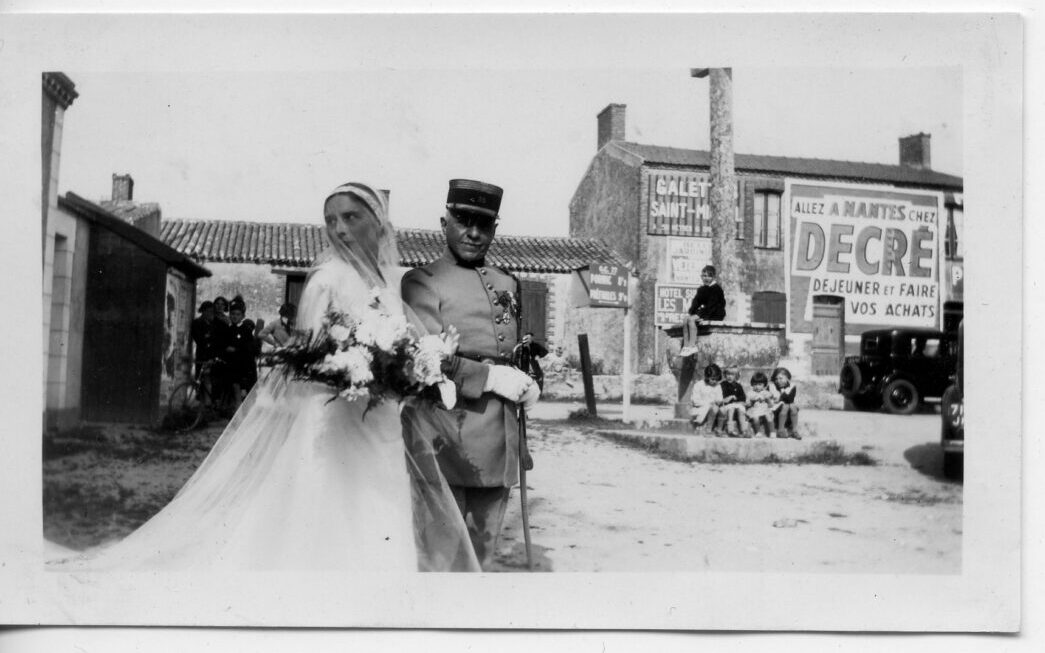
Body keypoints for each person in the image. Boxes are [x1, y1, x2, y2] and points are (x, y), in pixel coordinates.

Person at [49, 182, 479, 572]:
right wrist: (354, 370)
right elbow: (308, 361)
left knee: (379, 511)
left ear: (379, 223)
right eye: (331, 221)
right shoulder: (327, 280)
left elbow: (398, 346)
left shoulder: (388, 285)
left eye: (351, 217)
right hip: (335, 423)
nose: (340, 229)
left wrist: (404, 372)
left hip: (380, 424)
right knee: (331, 518)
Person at [400, 179, 541, 569]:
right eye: (463, 220)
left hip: (499, 441)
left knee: (480, 560)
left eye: (484, 224)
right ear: (443, 223)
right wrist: (492, 379)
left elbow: (515, 351)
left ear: (495, 229)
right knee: (440, 562)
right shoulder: (421, 281)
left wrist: (528, 381)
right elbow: (425, 359)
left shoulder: (506, 282)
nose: (474, 232)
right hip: (445, 437)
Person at [189, 300, 229, 408]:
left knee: (212, 379)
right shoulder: (197, 322)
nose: (209, 313)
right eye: (206, 311)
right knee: (201, 378)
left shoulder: (216, 323)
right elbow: (200, 339)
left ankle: (210, 403)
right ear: (202, 311)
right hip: (202, 355)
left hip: (213, 355)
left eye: (211, 311)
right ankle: (203, 403)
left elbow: (218, 340)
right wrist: (208, 339)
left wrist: (209, 340)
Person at [680, 265, 726, 357]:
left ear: (713, 277)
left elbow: (713, 306)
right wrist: (692, 312)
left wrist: (705, 318)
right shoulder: (702, 289)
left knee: (692, 320)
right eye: (704, 276)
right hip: (705, 311)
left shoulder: (716, 289)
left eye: (709, 276)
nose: (706, 278)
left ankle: (692, 346)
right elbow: (695, 303)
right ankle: (686, 346)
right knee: (686, 319)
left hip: (715, 313)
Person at [224, 296, 258, 406]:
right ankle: (237, 415)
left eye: (238, 314)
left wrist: (235, 349)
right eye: (232, 314)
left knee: (247, 392)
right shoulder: (228, 329)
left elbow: (250, 349)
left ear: (243, 316)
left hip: (246, 366)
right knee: (235, 390)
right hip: (233, 365)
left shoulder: (246, 330)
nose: (235, 317)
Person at [689, 363, 724, 436]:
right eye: (713, 379)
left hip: (714, 408)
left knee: (720, 409)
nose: (714, 381)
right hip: (701, 408)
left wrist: (718, 401)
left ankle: (718, 429)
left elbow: (719, 397)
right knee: (713, 408)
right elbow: (695, 400)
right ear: (707, 377)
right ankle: (708, 429)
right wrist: (708, 403)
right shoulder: (699, 385)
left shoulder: (717, 386)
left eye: (716, 380)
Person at [718, 367, 750, 437]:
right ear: (725, 375)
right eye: (728, 374)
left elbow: (742, 397)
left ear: (736, 376)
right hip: (727, 405)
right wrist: (729, 398)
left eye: (732, 375)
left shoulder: (738, 386)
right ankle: (730, 429)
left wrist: (738, 401)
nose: (729, 376)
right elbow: (721, 398)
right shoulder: (722, 385)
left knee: (741, 410)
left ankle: (744, 430)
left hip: (737, 405)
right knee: (731, 409)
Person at [771, 366, 800, 440]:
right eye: (776, 379)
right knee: (786, 406)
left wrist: (782, 393)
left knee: (792, 406)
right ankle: (780, 430)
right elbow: (775, 400)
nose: (778, 381)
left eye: (781, 378)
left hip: (788, 407)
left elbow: (790, 399)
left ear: (787, 378)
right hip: (776, 409)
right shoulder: (773, 387)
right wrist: (781, 393)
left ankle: (794, 430)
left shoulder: (792, 387)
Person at [746, 371, 777, 438]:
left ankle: (772, 432)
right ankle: (758, 432)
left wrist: (767, 399)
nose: (757, 387)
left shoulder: (766, 393)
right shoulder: (750, 393)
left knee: (769, 416)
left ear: (764, 385)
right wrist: (753, 401)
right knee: (755, 417)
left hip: (765, 410)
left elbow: (771, 405)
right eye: (755, 384)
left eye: (759, 384)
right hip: (755, 410)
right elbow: (747, 405)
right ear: (752, 384)